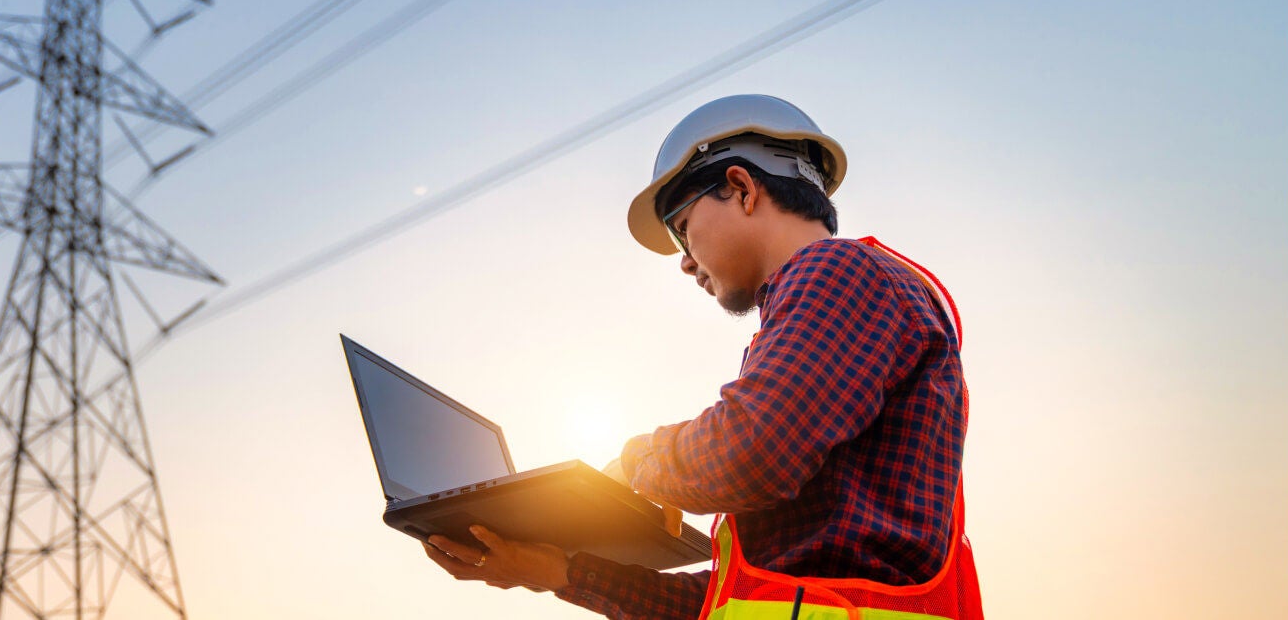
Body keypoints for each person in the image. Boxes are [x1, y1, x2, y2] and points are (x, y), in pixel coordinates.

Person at [420, 94, 984, 619]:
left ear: (741, 188)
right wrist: (556, 572)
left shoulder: (836, 273)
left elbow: (752, 451)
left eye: (683, 229)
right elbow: (731, 603)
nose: (686, 261)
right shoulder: (840, 302)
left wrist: (638, 462)